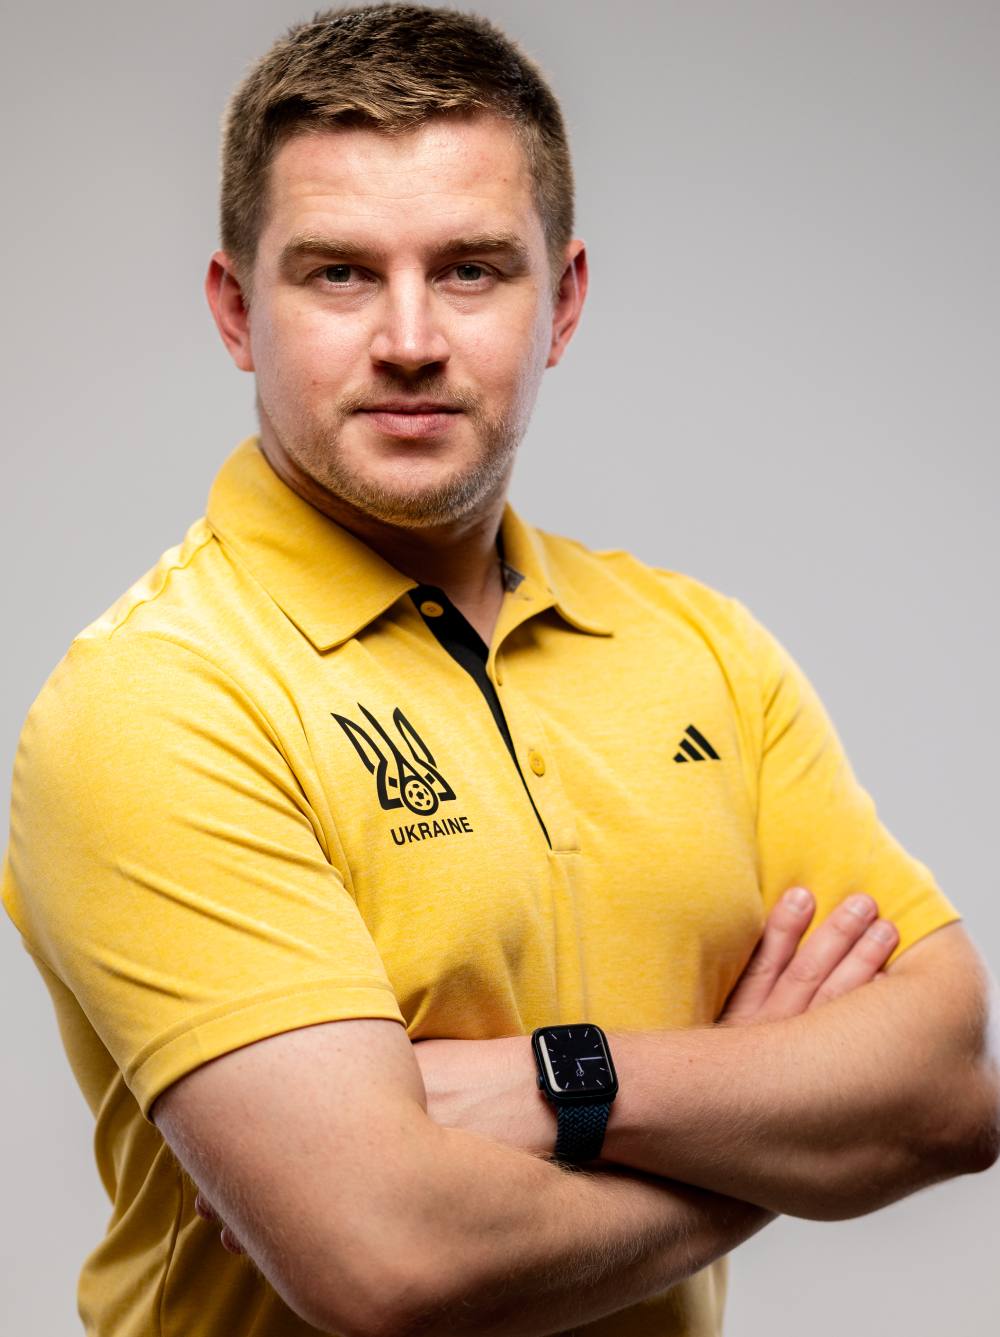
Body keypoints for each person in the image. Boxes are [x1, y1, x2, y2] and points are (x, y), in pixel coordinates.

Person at [2, 5, 997, 1335]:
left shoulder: (702, 648)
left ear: (562, 302)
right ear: (238, 310)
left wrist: (558, 1085)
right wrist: (774, 1147)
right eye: (339, 274)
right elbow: (390, 1261)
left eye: (471, 270)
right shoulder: (159, 701)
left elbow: (947, 1083)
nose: (410, 337)